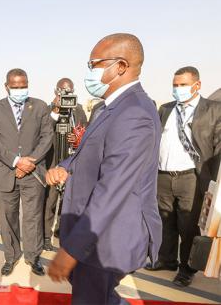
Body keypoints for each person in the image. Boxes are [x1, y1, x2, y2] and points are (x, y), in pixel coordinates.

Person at [45, 33, 162, 305]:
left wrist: (72, 248)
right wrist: (65, 167)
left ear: (120, 66)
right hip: (92, 233)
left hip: (107, 239)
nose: (90, 73)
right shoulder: (106, 108)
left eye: (94, 65)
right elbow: (88, 152)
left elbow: (113, 188)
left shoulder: (134, 113)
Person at [145, 66, 221, 287]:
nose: (178, 89)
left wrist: (213, 183)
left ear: (197, 85)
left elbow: (217, 149)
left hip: (192, 177)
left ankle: (186, 268)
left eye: (183, 85)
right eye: (175, 85)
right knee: (165, 220)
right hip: (164, 175)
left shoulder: (213, 110)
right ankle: (166, 259)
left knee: (188, 225)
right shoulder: (166, 109)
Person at [0, 68, 53, 276]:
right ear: (6, 86)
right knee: (8, 219)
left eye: (23, 86)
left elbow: (47, 136)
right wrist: (16, 161)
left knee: (33, 218)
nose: (20, 90)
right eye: (15, 87)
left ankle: (33, 257)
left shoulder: (40, 106)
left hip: (33, 174)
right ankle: (11, 256)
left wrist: (29, 162)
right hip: (6, 173)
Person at [44, 78, 88, 250]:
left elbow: (86, 132)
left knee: (67, 202)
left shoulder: (79, 110)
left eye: (69, 91)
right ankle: (46, 237)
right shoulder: (47, 110)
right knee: (50, 202)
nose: (66, 94)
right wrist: (56, 110)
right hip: (53, 162)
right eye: (62, 91)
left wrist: (77, 138)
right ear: (56, 91)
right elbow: (44, 132)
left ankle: (62, 232)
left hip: (72, 163)